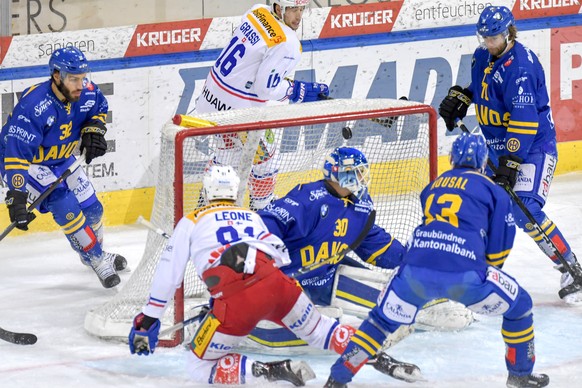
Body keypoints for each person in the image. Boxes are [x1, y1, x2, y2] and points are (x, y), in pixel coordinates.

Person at [128, 165, 421, 385]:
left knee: (198, 364)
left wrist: (148, 319)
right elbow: (279, 255)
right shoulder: (252, 216)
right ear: (235, 192)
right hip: (280, 286)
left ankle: (270, 372)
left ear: (205, 192)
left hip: (235, 301)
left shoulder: (191, 221)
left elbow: (169, 275)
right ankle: (380, 359)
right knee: (322, 331)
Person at [324, 133, 550, 388]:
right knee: (520, 305)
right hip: (464, 275)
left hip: (413, 273)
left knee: (379, 322)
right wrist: (483, 274)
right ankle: (519, 376)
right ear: (484, 161)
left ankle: (336, 379)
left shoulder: (433, 186)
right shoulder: (495, 192)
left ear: (451, 159)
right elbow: (498, 250)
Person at [249, 146, 474, 351]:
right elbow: (264, 226)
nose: (360, 177)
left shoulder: (360, 205)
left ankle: (426, 306)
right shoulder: (308, 199)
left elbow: (378, 246)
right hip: (287, 284)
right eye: (354, 171)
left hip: (327, 277)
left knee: (393, 300)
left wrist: (414, 261)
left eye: (361, 171)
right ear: (336, 173)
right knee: (291, 328)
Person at [438, 5, 581, 304]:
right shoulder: (482, 56)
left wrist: (512, 163)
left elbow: (524, 120)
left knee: (524, 209)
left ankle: (571, 267)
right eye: (485, 37)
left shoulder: (522, 68)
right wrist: (463, 96)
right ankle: (475, 271)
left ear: (509, 33)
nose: (488, 43)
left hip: (532, 148)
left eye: (494, 37)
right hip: (497, 149)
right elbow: (485, 88)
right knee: (479, 205)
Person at [0, 46, 126, 289]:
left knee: (94, 211)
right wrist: (17, 198)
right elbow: (16, 157)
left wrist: (94, 130)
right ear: (56, 76)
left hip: (61, 158)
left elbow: (99, 108)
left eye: (82, 78)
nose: (80, 85)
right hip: (30, 164)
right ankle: (98, 259)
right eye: (73, 79)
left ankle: (93, 251)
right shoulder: (34, 106)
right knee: (64, 204)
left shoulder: (86, 91)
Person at [194, 0, 329, 210]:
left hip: (210, 97)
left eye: (301, 9)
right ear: (278, 8)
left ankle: (206, 204)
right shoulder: (287, 43)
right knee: (266, 158)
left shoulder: (257, 11)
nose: (298, 16)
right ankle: (263, 209)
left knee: (226, 154)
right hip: (239, 110)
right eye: (293, 9)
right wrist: (297, 90)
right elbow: (265, 89)